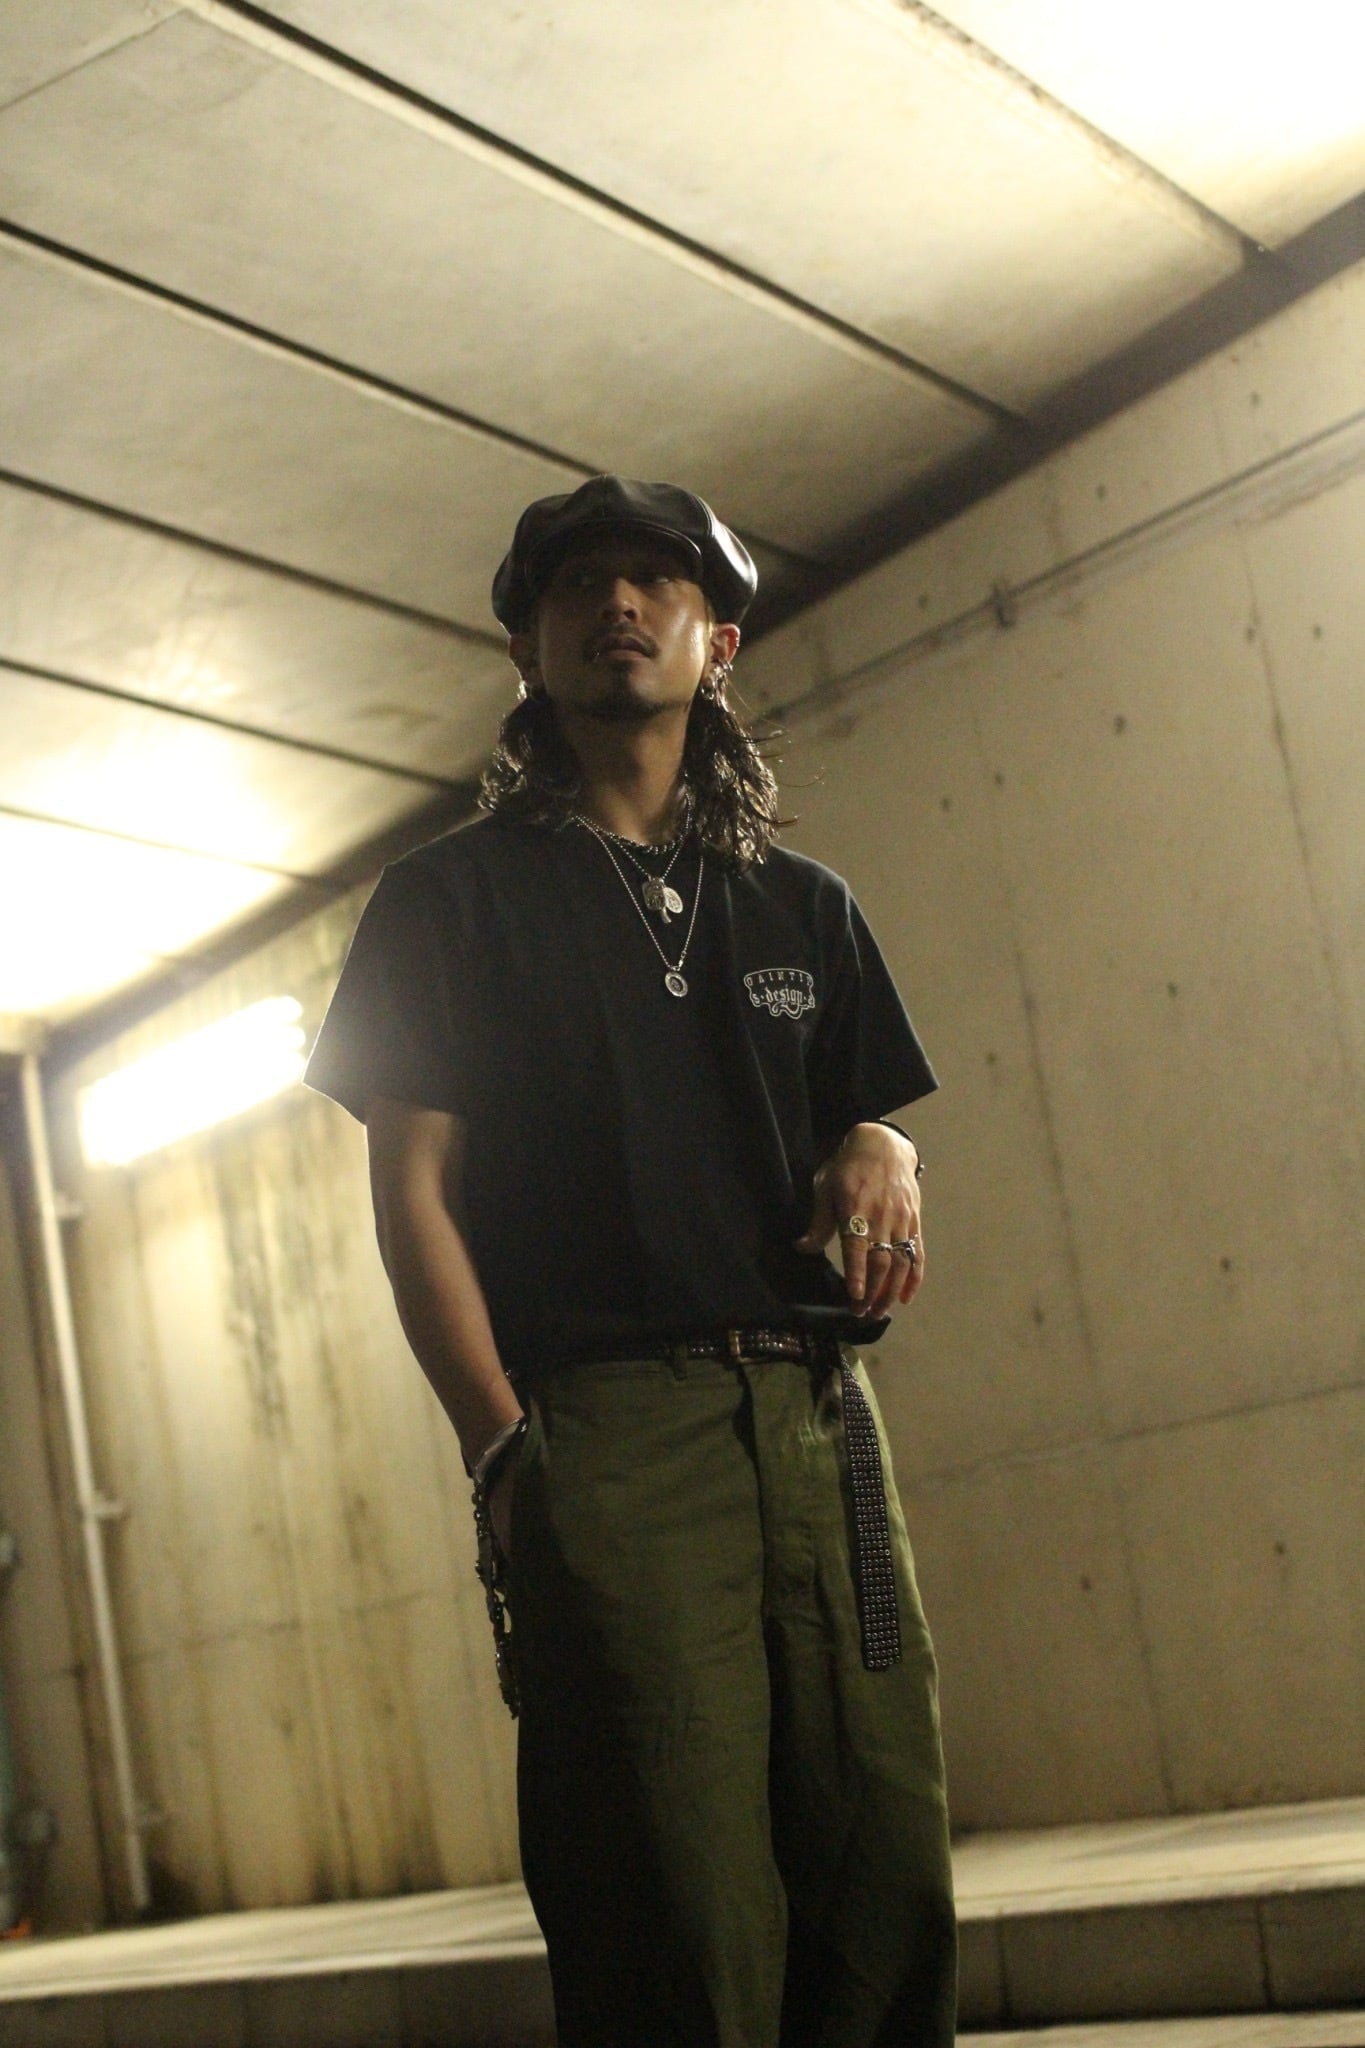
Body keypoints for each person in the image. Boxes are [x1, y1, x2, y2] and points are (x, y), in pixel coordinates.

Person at [304, 476, 957, 2046]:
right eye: (577, 585)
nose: (615, 604)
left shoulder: (803, 903)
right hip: (609, 1428)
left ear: (716, 642)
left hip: (817, 1424)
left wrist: (886, 1141)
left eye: (654, 584)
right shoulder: (447, 902)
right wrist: (500, 1449)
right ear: (526, 651)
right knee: (670, 1885)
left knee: (877, 1856)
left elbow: (844, 1119)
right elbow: (411, 1193)